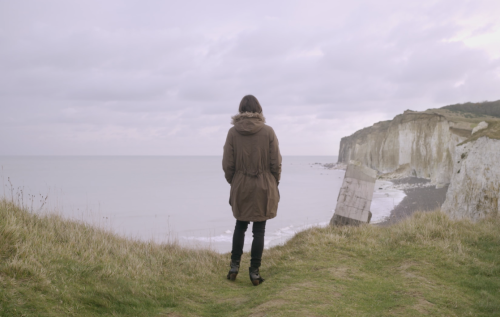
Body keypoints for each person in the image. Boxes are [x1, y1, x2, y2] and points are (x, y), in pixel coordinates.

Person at [222, 95, 282, 286]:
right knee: (259, 230)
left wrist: (235, 181)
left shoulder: (233, 133)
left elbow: (227, 164)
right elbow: (276, 163)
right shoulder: (268, 131)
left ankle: (234, 267)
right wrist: (273, 182)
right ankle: (254, 272)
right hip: (264, 184)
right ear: (259, 110)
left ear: (240, 110)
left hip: (241, 183)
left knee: (240, 226)